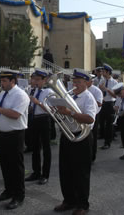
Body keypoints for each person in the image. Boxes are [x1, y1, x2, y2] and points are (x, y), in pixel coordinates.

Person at [54, 69, 97, 215]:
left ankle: (82, 205)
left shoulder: (88, 98)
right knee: (65, 171)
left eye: (79, 82)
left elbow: (90, 119)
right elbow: (64, 115)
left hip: (82, 137)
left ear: (86, 83)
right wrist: (58, 111)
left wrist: (69, 112)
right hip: (68, 135)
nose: (75, 84)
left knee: (81, 173)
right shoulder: (70, 95)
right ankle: (69, 201)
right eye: (74, 81)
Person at [0, 69, 30, 210]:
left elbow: (15, 114)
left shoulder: (21, 95)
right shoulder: (2, 93)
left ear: (13, 81)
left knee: (16, 167)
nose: (2, 83)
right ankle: (8, 190)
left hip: (16, 134)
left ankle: (19, 196)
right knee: (5, 164)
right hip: (3, 133)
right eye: (1, 81)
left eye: (4, 81)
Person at [25, 69, 52, 185]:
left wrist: (37, 103)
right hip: (34, 119)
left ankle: (45, 174)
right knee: (35, 147)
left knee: (46, 148)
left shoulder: (49, 92)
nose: (35, 82)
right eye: (34, 79)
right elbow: (32, 105)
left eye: (38, 80)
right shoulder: (34, 91)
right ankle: (36, 172)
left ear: (44, 80)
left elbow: (51, 110)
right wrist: (31, 106)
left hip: (44, 119)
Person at [98, 64, 117, 149]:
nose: (102, 73)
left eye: (103, 71)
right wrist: (100, 89)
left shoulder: (114, 82)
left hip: (110, 104)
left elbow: (115, 96)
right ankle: (102, 135)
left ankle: (107, 142)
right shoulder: (102, 80)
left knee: (109, 124)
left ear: (108, 72)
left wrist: (106, 89)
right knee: (101, 122)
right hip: (103, 103)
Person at [87, 75, 103, 162]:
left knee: (93, 136)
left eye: (87, 80)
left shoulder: (96, 90)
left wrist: (89, 101)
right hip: (84, 115)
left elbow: (100, 103)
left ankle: (92, 156)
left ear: (91, 81)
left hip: (94, 115)